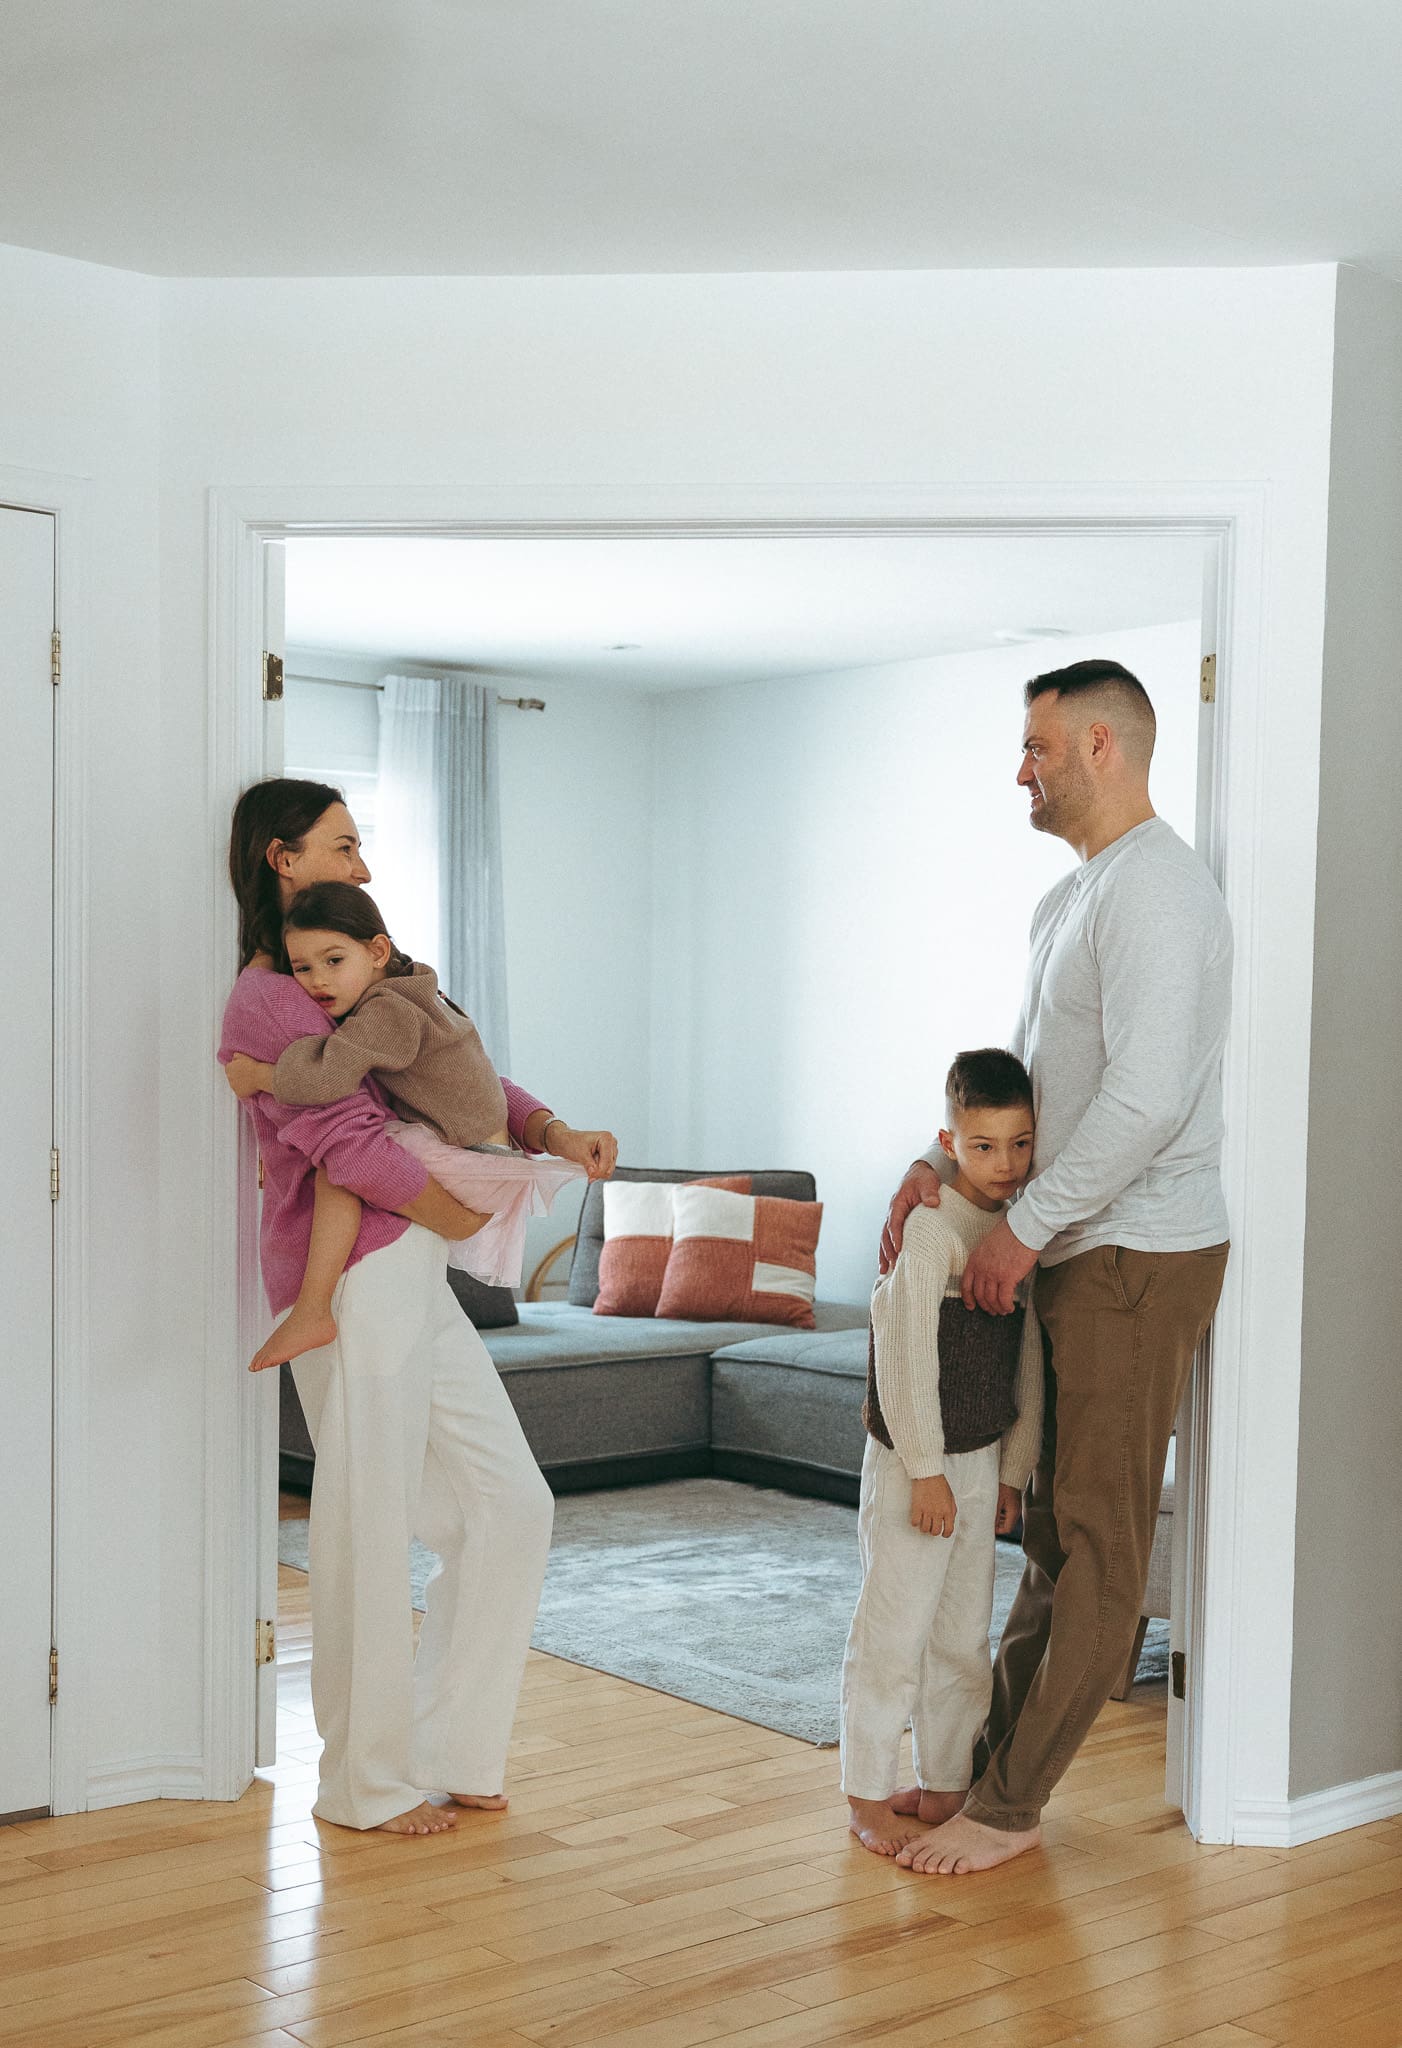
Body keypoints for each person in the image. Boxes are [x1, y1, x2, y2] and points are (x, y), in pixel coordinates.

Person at [880, 659, 1231, 1877]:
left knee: (1096, 1542)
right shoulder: (1071, 899)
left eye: (1034, 747)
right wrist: (943, 1173)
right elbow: (1036, 1100)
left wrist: (1027, 1232)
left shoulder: (1162, 895)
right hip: (1079, 1243)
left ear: (1100, 746)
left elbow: (1143, 1100)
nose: (1017, 770)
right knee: (1049, 1538)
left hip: (1138, 1252)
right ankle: (991, 1775)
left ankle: (1011, 1810)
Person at [220, 776, 618, 1838]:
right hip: (351, 1273)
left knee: (508, 1504)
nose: (361, 861)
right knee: (364, 1516)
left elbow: (453, 1066)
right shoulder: (270, 993)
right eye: (341, 843)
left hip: (407, 1266)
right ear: (280, 857)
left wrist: (551, 1129)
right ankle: (365, 1782)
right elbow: (345, 1137)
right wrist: (452, 1215)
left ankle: (454, 1749)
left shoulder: (363, 968)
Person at [225, 881, 586, 1371]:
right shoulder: (421, 989)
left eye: (334, 961)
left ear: (377, 951)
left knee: (342, 1164)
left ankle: (312, 1309)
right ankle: (312, 1310)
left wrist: (260, 1075)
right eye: (302, 968)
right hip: (491, 1161)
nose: (316, 982)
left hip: (476, 1161)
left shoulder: (388, 1010)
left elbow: (330, 1072)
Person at [842, 1050, 1045, 1858]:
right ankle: (864, 1790)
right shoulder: (929, 1234)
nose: (1006, 1165)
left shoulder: (1017, 1235)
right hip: (913, 1465)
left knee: (963, 1636)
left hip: (979, 1458)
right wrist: (925, 1469)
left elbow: (1027, 1358)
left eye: (1021, 1144)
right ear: (948, 1142)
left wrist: (1013, 1473)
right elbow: (902, 1358)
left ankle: (945, 1783)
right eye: (985, 1146)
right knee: (893, 1631)